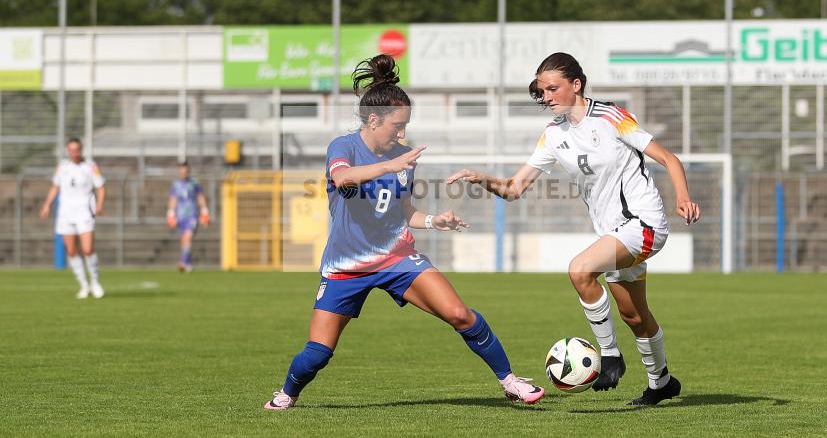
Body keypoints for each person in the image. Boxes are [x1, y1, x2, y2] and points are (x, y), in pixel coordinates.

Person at [264, 54, 544, 410]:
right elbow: (342, 178)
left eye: (406, 125)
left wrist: (433, 221)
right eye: (397, 125)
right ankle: (286, 394)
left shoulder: (404, 157)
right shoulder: (344, 147)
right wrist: (389, 165)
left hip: (397, 257)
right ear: (374, 119)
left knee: (459, 314)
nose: (403, 132)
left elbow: (402, 211)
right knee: (318, 353)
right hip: (346, 266)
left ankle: (510, 380)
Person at [447, 52, 701, 406]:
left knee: (580, 271)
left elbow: (669, 159)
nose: (546, 96)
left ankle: (609, 354)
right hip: (614, 232)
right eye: (541, 91)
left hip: (643, 223)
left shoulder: (612, 117)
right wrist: (482, 178)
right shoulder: (552, 135)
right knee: (634, 316)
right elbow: (513, 189)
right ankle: (661, 382)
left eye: (553, 88)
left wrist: (683, 197)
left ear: (576, 84)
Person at [40, 137, 107, 299]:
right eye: (71, 150)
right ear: (68, 151)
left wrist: (99, 205)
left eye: (77, 149)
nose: (74, 153)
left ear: (81, 150)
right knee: (71, 251)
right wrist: (47, 205)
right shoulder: (62, 167)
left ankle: (95, 282)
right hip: (65, 213)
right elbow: (55, 187)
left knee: (88, 249)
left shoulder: (90, 166)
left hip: (84, 212)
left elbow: (101, 188)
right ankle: (83, 285)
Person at [167, 161, 210, 272]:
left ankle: (183, 262)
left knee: (188, 237)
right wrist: (171, 213)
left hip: (192, 215)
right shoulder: (176, 185)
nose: (184, 173)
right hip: (181, 216)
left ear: (188, 171)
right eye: (182, 171)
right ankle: (188, 264)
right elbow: (173, 199)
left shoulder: (194, 183)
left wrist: (204, 211)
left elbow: (200, 197)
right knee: (184, 240)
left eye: (186, 171)